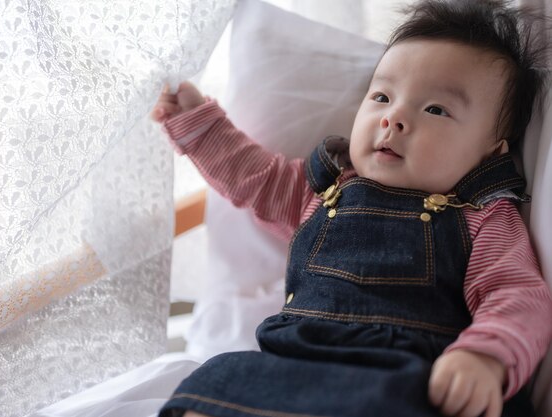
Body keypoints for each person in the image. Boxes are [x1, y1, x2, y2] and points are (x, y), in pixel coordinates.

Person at [151, 1, 552, 416]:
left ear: (492, 153)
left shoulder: (482, 218)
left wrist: (485, 357)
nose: (393, 118)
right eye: (381, 96)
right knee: (217, 377)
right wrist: (197, 124)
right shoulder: (321, 192)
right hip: (291, 358)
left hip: (400, 368)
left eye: (436, 109)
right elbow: (252, 175)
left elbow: (517, 295)